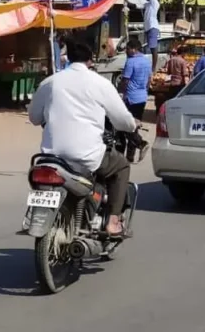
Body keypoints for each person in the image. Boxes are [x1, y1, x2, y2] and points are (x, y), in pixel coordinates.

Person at [28, 37, 141, 237]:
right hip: (86, 156)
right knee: (121, 165)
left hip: (51, 158)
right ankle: (113, 221)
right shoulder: (100, 83)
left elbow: (35, 118)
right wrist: (133, 125)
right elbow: (123, 120)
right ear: (91, 61)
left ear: (69, 59)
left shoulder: (50, 82)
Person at [120, 38, 152, 122]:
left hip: (131, 98)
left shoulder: (130, 61)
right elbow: (149, 79)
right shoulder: (147, 60)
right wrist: (145, 91)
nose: (126, 51)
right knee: (138, 120)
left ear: (134, 49)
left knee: (129, 124)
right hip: (143, 97)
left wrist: (123, 93)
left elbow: (125, 80)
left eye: (127, 49)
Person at [142, 0, 160, 72]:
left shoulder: (155, 2)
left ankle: (154, 68)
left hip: (153, 27)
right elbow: (135, 5)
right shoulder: (147, 5)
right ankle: (148, 66)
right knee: (147, 47)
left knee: (153, 48)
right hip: (147, 28)